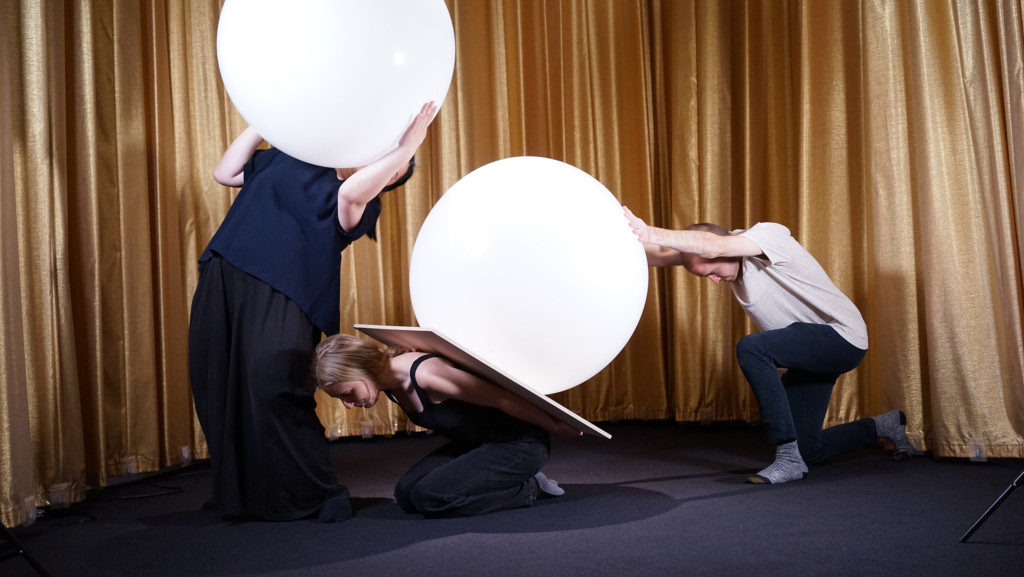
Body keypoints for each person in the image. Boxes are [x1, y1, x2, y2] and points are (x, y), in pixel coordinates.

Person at [188, 102, 439, 522]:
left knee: (276, 387)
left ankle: (320, 494)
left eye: (395, 174)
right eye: (390, 163)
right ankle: (243, 497)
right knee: (216, 383)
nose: (389, 171)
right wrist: (267, 121)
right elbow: (226, 173)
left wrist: (409, 146)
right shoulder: (293, 155)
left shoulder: (358, 204)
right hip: (226, 270)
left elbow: (352, 190)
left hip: (287, 289)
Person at [622, 207, 913, 484]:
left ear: (725, 243)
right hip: (808, 351)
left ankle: (786, 455)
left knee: (753, 347)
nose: (713, 281)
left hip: (842, 338)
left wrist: (649, 231)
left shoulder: (766, 237)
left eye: (712, 272)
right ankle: (885, 426)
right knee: (809, 450)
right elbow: (659, 256)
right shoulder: (715, 254)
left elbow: (712, 246)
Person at [311, 333, 578, 518]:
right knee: (406, 495)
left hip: (520, 444)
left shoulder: (426, 375)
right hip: (479, 443)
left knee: (432, 498)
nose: (347, 404)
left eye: (347, 393)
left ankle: (529, 488)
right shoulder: (387, 383)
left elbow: (503, 398)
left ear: (362, 369)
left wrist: (554, 425)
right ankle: (498, 478)